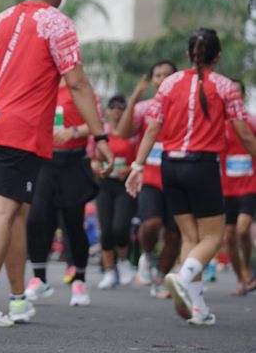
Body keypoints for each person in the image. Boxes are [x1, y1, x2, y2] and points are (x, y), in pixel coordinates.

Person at [0, 0, 114, 327]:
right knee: (2, 210)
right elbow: (77, 83)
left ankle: (18, 299)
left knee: (16, 212)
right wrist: (100, 135)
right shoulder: (58, 24)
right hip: (20, 128)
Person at [126, 28, 256, 326]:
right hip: (202, 166)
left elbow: (152, 128)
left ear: (188, 54)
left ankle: (198, 308)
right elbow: (245, 134)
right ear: (217, 56)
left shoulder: (169, 83)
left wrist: (137, 165)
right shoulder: (225, 86)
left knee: (190, 237)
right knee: (213, 237)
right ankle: (183, 278)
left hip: (170, 166)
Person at [25, 78, 100, 307]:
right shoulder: (39, 86)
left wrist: (73, 131)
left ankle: (79, 280)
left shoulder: (80, 88)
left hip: (73, 162)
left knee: (73, 223)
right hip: (44, 161)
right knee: (36, 219)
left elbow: (96, 123)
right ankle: (39, 278)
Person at [118, 61, 180, 298]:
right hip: (150, 178)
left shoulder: (185, 106)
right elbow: (123, 132)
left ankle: (162, 278)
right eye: (158, 75)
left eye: (167, 75)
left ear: (176, 78)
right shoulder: (145, 108)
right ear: (153, 80)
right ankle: (148, 254)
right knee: (151, 223)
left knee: (173, 234)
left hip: (178, 177)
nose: (162, 79)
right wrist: (134, 98)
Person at [94, 94, 137, 290]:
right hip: (105, 183)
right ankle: (109, 271)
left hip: (124, 184)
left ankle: (123, 261)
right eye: (113, 106)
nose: (117, 110)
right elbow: (92, 157)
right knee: (106, 229)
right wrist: (96, 166)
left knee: (120, 227)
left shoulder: (133, 132)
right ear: (108, 110)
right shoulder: (101, 132)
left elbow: (140, 159)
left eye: (121, 107)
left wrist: (128, 169)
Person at [220, 79, 256, 295]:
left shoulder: (250, 121)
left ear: (242, 96)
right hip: (227, 189)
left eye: (236, 92)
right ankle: (240, 277)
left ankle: (247, 268)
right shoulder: (220, 123)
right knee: (229, 236)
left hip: (250, 186)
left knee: (243, 229)